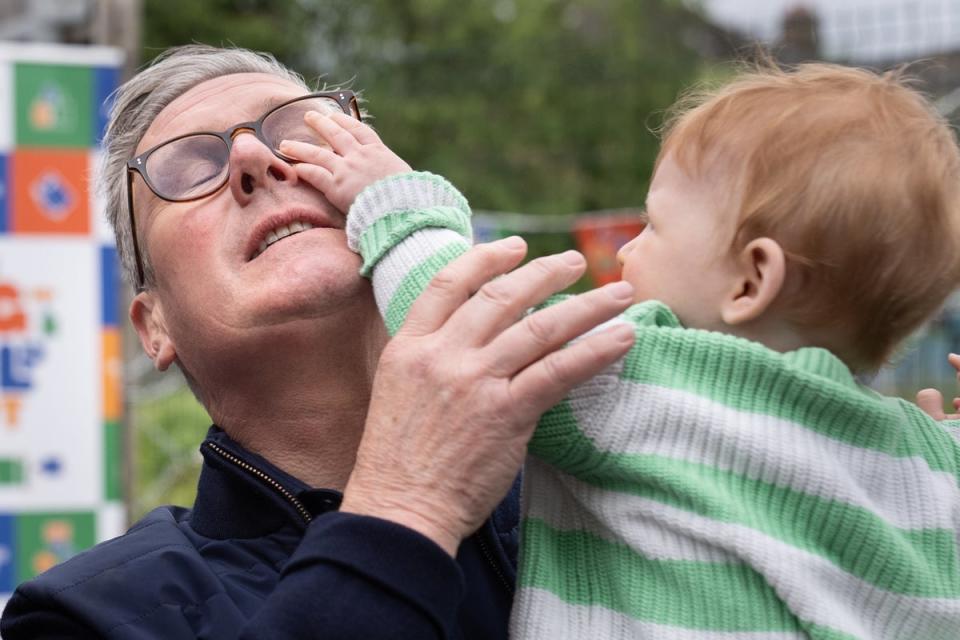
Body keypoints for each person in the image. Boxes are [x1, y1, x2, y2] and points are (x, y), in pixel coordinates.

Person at [281, 63, 960, 638]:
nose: (628, 251)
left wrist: (390, 199)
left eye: (654, 227)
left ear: (752, 280)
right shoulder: (926, 457)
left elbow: (468, 323)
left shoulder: (638, 379)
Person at [0, 45, 636, 639]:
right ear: (154, 325)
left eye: (302, 135)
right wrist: (408, 503)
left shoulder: (609, 472)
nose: (256, 159)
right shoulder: (84, 618)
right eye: (191, 168)